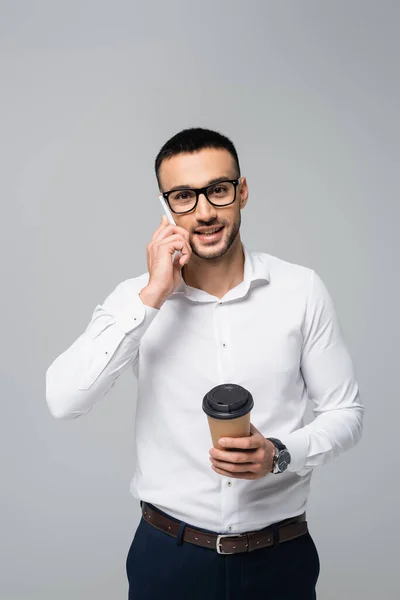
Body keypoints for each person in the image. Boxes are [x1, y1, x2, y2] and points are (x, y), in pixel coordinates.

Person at [46, 127, 364, 599]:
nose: (205, 211)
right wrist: (153, 294)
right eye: (183, 197)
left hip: (281, 559)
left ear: (242, 192)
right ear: (165, 207)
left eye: (218, 189)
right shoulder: (135, 300)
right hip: (169, 559)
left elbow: (346, 414)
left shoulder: (300, 290)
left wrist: (279, 454)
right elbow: (63, 400)